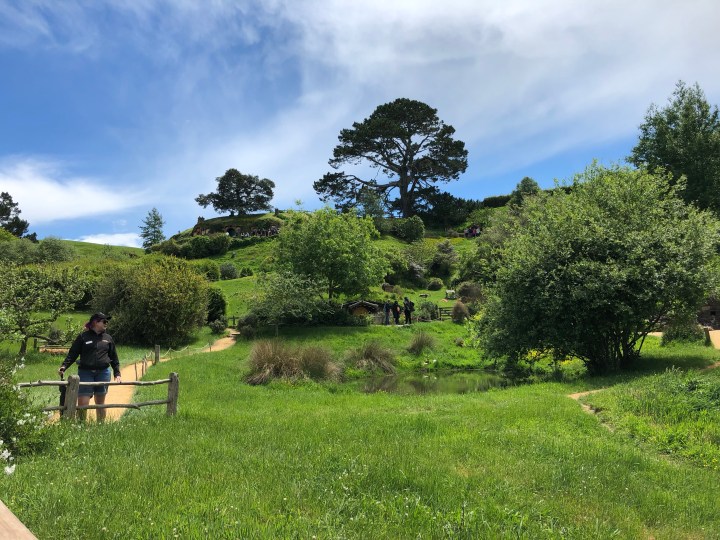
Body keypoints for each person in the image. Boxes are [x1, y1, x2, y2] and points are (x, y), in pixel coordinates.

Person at [58, 312, 121, 422]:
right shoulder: (83, 337)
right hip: (85, 373)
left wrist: (117, 373)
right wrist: (64, 366)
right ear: (96, 322)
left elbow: (114, 357)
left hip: (103, 373)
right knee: (83, 402)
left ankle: (100, 425)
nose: (106, 323)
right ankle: (81, 424)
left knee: (100, 402)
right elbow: (73, 354)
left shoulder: (108, 338)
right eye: (104, 321)